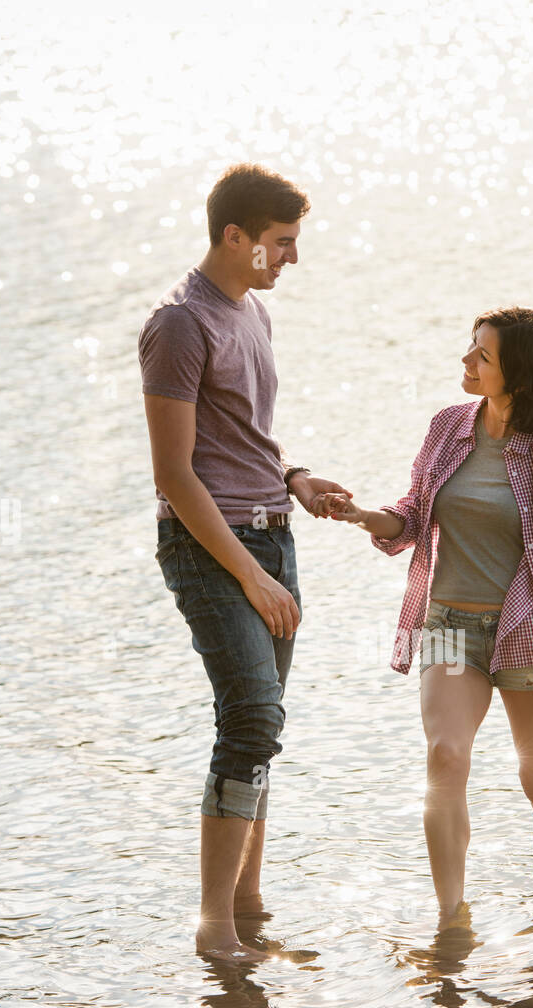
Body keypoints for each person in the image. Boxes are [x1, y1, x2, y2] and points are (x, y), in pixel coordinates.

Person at [318, 307, 533, 918]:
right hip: (447, 627)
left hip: (527, 635)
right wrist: (368, 516)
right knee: (445, 757)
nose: (466, 362)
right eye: (471, 349)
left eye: (482, 356)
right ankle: (451, 919)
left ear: (519, 374)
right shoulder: (449, 427)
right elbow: (414, 514)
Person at [139, 162, 352, 963]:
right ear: (235, 236)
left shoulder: (251, 311)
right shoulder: (179, 324)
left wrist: (294, 479)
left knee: (262, 730)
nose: (290, 257)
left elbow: (241, 438)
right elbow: (175, 474)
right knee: (250, 718)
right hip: (210, 546)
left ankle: (251, 908)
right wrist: (249, 575)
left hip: (272, 532)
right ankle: (215, 927)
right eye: (280, 243)